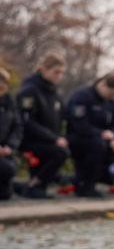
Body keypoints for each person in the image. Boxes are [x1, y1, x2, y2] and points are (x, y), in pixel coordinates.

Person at [16, 53, 70, 199]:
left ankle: (36, 188)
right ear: (44, 70)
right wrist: (53, 138)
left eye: (61, 73)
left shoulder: (53, 92)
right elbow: (26, 121)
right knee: (60, 152)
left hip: (47, 139)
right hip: (30, 140)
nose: (59, 76)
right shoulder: (30, 90)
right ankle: (34, 185)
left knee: (61, 150)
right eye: (56, 72)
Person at [64, 73, 114, 198]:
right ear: (102, 84)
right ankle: (85, 185)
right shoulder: (82, 96)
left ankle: (112, 181)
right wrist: (100, 133)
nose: (111, 97)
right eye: (110, 93)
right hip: (79, 137)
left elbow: (113, 125)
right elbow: (79, 124)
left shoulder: (110, 103)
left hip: (101, 139)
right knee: (97, 146)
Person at [0, 67, 21, 200]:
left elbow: (17, 127)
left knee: (5, 195)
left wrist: (10, 146)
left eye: (4, 82)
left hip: (5, 150)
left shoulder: (10, 102)